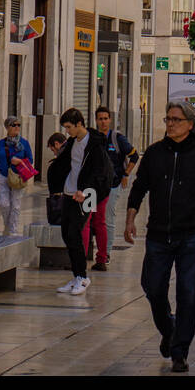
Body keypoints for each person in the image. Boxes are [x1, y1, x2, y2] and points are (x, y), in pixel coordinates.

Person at [126, 100, 195, 373]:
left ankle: (180, 351)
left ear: (190, 125)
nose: (170, 123)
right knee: (153, 288)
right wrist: (130, 218)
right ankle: (169, 330)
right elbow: (139, 187)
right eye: (167, 119)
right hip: (158, 234)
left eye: (175, 119)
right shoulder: (156, 152)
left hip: (191, 236)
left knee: (189, 294)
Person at [46, 108, 112, 295]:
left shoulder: (95, 144)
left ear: (79, 124)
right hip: (69, 193)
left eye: (69, 127)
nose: (67, 131)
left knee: (77, 232)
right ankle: (77, 276)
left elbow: (100, 171)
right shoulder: (73, 143)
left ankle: (83, 277)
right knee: (67, 234)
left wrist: (85, 190)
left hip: (86, 195)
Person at [95, 106, 138, 264]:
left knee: (108, 218)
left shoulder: (117, 138)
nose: (103, 121)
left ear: (110, 120)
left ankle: (106, 252)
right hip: (93, 186)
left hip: (112, 185)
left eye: (106, 118)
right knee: (91, 219)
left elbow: (134, 156)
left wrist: (126, 174)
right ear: (96, 120)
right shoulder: (92, 138)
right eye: (100, 118)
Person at [0, 117, 33, 236]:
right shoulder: (1, 143)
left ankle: (12, 230)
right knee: (4, 204)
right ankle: (7, 225)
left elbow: (30, 159)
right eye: (14, 125)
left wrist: (20, 161)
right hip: (3, 176)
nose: (17, 127)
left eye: (18, 125)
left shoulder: (24, 143)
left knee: (15, 205)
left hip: (18, 177)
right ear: (7, 127)